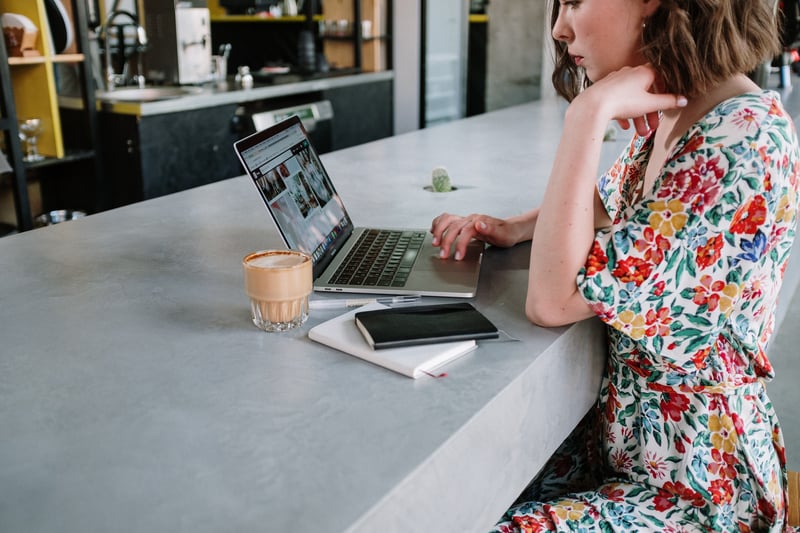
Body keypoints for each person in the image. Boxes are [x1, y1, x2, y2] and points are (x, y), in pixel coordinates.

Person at [430, 0, 800, 530]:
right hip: (626, 445)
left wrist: (586, 115)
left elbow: (552, 302)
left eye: (574, 1)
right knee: (459, 496)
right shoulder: (691, 107)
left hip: (696, 485)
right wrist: (514, 226)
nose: (559, 27)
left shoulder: (743, 139)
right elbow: (613, 202)